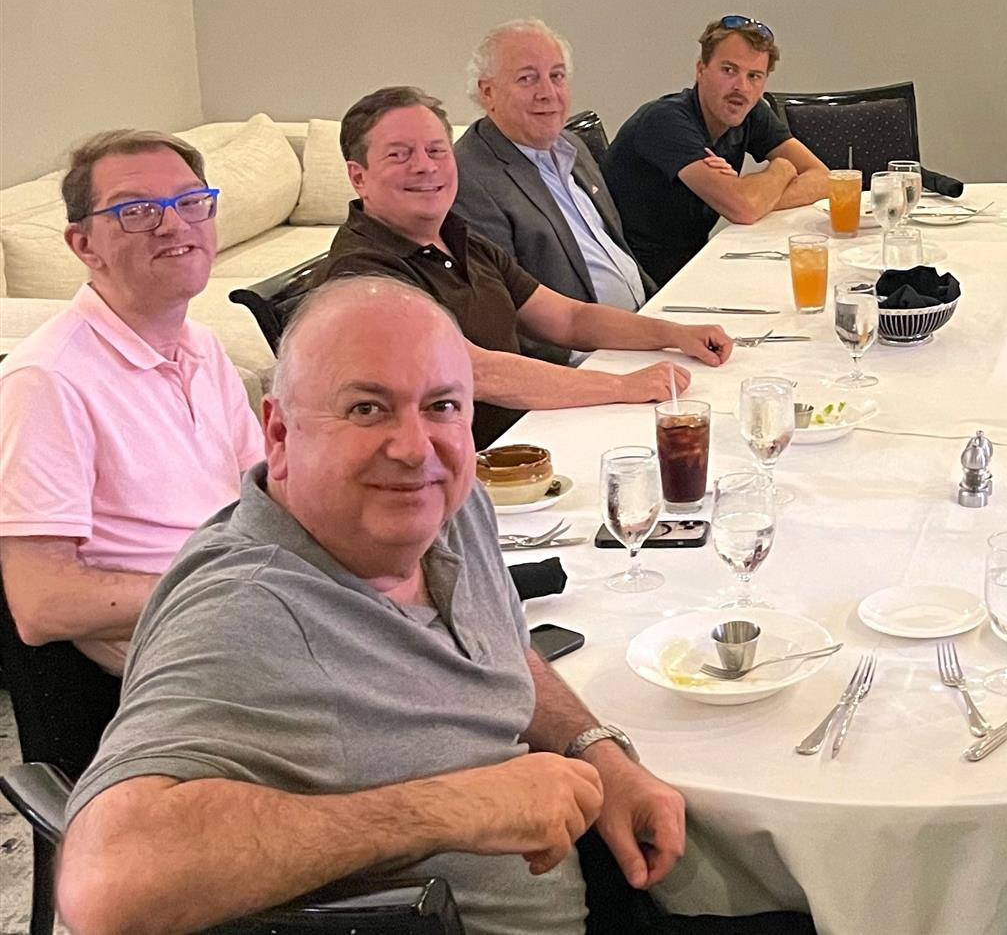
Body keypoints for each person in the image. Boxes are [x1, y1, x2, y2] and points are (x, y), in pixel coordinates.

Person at [55, 277, 686, 935]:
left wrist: (597, 752)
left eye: (442, 405)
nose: (415, 448)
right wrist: (444, 809)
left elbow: (500, 647)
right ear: (279, 433)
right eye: (366, 408)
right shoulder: (245, 610)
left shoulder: (449, 504)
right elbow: (105, 885)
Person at [319, 86, 732, 448]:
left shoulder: (456, 236)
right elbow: (474, 372)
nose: (425, 166)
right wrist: (623, 386)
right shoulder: (364, 273)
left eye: (436, 150)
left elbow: (568, 318)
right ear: (359, 177)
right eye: (399, 155)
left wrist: (675, 334)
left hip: (527, 433)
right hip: (456, 473)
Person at [0, 130, 262, 677]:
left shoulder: (202, 346)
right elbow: (41, 603)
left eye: (191, 202)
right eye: (136, 211)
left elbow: (261, 497)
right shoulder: (46, 380)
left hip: (253, 609)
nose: (174, 224)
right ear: (84, 245)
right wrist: (225, 588)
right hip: (183, 655)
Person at [454, 18, 657, 365]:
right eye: (527, 78)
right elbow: (505, 319)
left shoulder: (571, 146)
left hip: (640, 329)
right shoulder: (470, 178)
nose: (547, 92)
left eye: (557, 76)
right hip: (583, 362)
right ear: (488, 93)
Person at [604, 16, 830, 286]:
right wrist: (782, 169)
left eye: (754, 76)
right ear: (701, 70)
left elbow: (824, 178)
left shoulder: (750, 111)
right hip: (641, 282)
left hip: (697, 265)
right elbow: (745, 208)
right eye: (729, 70)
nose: (741, 87)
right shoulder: (665, 121)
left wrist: (756, 195)